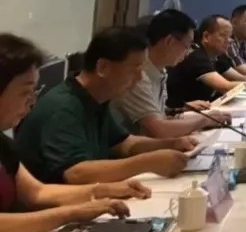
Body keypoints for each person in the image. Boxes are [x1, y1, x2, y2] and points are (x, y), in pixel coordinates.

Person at [0, 34, 153, 232]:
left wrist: (104, 191)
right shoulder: (62, 106)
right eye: (25, 92)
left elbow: (37, 192)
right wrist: (69, 213)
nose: (32, 100)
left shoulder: (3, 144)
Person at [16, 28, 197, 184]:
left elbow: (123, 143)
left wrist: (171, 144)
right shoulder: (62, 107)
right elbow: (76, 173)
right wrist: (148, 162)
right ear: (103, 67)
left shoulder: (96, 98)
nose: (139, 78)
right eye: (134, 69)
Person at [113, 8, 228, 137]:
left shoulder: (160, 70)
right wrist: (204, 120)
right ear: (169, 41)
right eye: (187, 45)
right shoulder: (138, 76)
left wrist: (186, 111)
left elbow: (161, 116)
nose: (188, 52)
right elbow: (159, 130)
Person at [167, 15, 246, 108]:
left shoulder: (219, 55)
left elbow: (242, 78)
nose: (229, 41)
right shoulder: (197, 57)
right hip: (182, 113)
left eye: (230, 37)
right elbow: (225, 87)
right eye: (223, 36)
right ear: (206, 37)